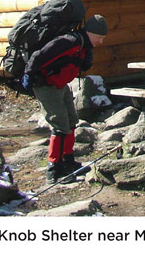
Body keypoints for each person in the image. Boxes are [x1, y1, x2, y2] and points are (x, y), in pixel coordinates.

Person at [23, 14, 108, 183]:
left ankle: (68, 161)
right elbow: (39, 56)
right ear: (89, 32)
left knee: (71, 121)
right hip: (46, 85)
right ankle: (54, 170)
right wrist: (28, 75)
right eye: (98, 38)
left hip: (60, 85)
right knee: (60, 126)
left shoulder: (83, 46)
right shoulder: (68, 42)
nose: (100, 42)